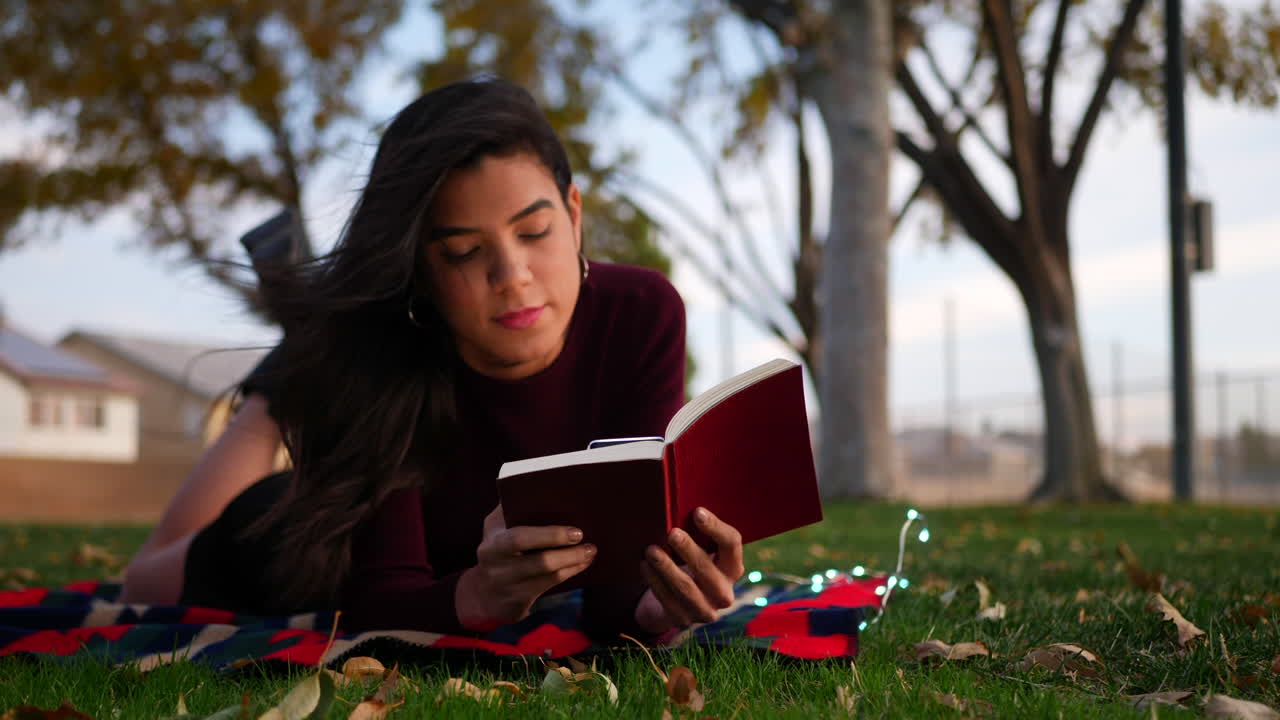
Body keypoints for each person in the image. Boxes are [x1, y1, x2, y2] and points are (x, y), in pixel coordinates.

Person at [118, 77, 744, 640]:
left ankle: (310, 336)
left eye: (534, 232)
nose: (512, 275)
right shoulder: (380, 359)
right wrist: (475, 594)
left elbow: (618, 600)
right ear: (420, 269)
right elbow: (378, 604)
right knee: (145, 579)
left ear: (574, 216)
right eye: (466, 251)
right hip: (316, 532)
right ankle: (293, 365)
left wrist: (664, 609)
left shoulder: (642, 311)